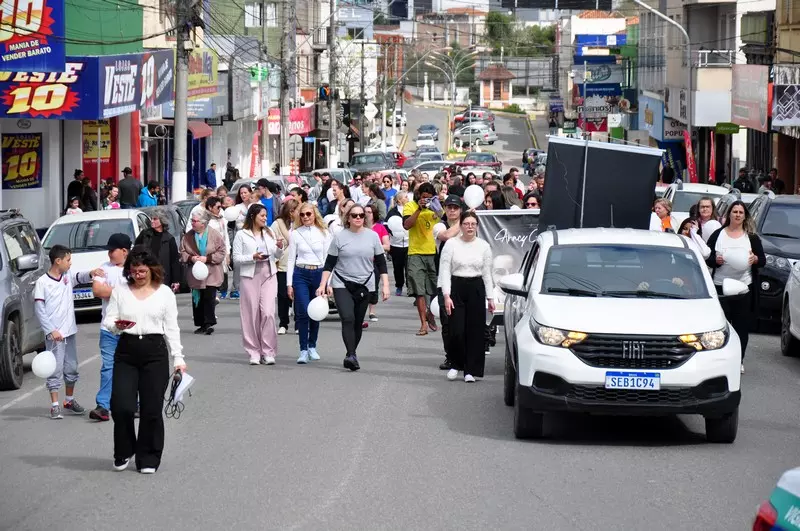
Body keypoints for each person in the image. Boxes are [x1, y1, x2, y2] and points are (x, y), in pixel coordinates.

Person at [103, 248, 186, 474]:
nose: (138, 275)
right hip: (127, 351)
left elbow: (171, 327)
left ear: (151, 269)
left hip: (155, 353)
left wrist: (178, 358)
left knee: (151, 409)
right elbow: (108, 319)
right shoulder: (120, 291)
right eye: (133, 271)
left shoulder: (165, 293)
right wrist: (116, 325)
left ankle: (148, 456)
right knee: (121, 406)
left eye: (142, 271)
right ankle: (124, 450)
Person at [316, 204, 390, 371]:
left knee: (357, 322)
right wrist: (323, 284)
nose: (358, 218)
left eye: (361, 215)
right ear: (348, 218)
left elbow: (381, 263)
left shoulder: (372, 237)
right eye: (354, 215)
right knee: (347, 318)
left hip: (365, 284)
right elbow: (329, 263)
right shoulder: (340, 237)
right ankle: (351, 354)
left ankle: (351, 353)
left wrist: (385, 285)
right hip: (342, 282)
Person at [33, 245, 103, 419]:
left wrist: (92, 272)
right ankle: (55, 405)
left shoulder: (67, 277)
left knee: (71, 367)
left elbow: (79, 277)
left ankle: (69, 400)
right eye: (68, 260)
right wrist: (51, 330)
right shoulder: (43, 282)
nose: (70, 263)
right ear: (58, 261)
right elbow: (39, 309)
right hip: (55, 336)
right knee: (54, 369)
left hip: (69, 332)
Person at [705, 201, 765, 373]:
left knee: (741, 327)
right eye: (734, 211)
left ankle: (738, 360)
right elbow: (706, 256)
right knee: (720, 327)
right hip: (720, 287)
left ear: (745, 216)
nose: (738, 215)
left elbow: (762, 260)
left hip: (744, 288)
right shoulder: (718, 234)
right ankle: (717, 361)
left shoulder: (751, 238)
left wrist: (755, 260)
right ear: (729, 214)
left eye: (740, 212)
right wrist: (714, 260)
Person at [439, 211, 495, 383]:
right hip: (456, 287)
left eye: (473, 224)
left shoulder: (484, 246)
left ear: (477, 226)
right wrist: (446, 295)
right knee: (456, 330)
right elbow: (445, 271)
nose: (470, 227)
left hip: (476, 288)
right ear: (461, 226)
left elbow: (487, 273)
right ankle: (456, 364)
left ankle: (471, 370)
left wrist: (491, 298)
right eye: (466, 224)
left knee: (475, 331)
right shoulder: (451, 244)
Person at [87, 233, 131, 422]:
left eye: (112, 250)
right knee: (108, 367)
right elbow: (97, 290)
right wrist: (124, 292)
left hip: (132, 328)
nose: (109, 254)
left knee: (132, 367)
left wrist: (112, 291)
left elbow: (142, 290)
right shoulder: (103, 269)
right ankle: (103, 406)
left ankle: (134, 403)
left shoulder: (135, 268)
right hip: (109, 328)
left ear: (124, 251)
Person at [233, 203, 284, 365]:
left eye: (265, 215)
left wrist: (279, 248)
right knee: (251, 315)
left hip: (268, 274)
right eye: (262, 215)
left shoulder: (269, 232)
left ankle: (268, 351)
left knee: (268, 312)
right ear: (253, 216)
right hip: (249, 276)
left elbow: (276, 255)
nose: (265, 218)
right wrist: (252, 257)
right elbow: (236, 258)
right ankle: (253, 351)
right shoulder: (242, 234)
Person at [287, 203, 331, 364]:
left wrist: (328, 283)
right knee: (304, 311)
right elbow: (291, 258)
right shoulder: (295, 233)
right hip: (301, 273)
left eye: (308, 214)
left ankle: (312, 346)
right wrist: (289, 283)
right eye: (303, 214)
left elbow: (328, 259)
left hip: (319, 273)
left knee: (316, 312)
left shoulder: (324, 232)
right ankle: (303, 349)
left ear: (314, 215)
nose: (306, 217)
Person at [180, 210, 226, 335]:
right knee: (197, 298)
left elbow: (222, 252)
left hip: (211, 271)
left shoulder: (214, 235)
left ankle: (209, 323)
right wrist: (191, 258)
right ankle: (201, 324)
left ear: (203, 223)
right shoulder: (188, 236)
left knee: (209, 297)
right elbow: (182, 252)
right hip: (195, 273)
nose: (193, 224)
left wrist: (208, 258)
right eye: (192, 221)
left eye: (195, 221)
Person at [403, 182, 440, 336]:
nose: (427, 201)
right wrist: (419, 208)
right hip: (415, 253)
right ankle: (423, 324)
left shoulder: (436, 206)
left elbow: (445, 219)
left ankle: (431, 312)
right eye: (424, 198)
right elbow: (406, 225)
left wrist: (437, 206)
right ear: (418, 196)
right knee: (419, 291)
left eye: (429, 198)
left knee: (433, 290)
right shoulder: (410, 206)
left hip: (432, 252)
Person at [433, 195, 463, 372]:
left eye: (455, 207)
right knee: (447, 322)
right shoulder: (440, 226)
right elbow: (445, 236)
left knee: (463, 322)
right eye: (449, 207)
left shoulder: (469, 227)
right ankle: (450, 356)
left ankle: (464, 356)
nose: (452, 210)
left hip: (464, 279)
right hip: (444, 281)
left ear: (460, 209)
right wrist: (468, 220)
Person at [135, 209, 181, 292]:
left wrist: (175, 280)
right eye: (151, 218)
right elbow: (136, 251)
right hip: (146, 275)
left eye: (155, 219)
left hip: (163, 277)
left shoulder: (169, 239)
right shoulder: (145, 234)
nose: (152, 221)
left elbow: (174, 261)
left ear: (162, 221)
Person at [271, 198, 299, 335]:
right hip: (282, 265)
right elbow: (271, 240)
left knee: (299, 296)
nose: (294, 213)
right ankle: (283, 323)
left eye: (296, 210)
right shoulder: (278, 224)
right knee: (282, 296)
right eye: (292, 210)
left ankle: (299, 323)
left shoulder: (301, 224)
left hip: (299, 265)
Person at [229, 184, 258, 299]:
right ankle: (236, 288)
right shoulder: (237, 207)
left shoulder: (255, 206)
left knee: (253, 261)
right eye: (241, 193)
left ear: (250, 192)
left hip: (253, 237)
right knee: (238, 263)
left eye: (245, 192)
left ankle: (252, 287)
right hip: (240, 237)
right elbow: (237, 224)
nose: (243, 195)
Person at [365, 203, 390, 323]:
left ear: (374, 214)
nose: (366, 214)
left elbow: (387, 246)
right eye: (365, 212)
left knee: (373, 286)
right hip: (360, 261)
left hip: (375, 261)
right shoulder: (360, 227)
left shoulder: (380, 228)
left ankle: (372, 311)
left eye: (369, 212)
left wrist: (374, 246)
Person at [386, 191, 409, 296]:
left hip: (410, 244)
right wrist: (392, 234)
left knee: (410, 268)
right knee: (398, 267)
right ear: (399, 200)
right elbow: (386, 225)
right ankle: (399, 286)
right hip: (396, 245)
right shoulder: (392, 212)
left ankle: (410, 287)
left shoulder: (411, 210)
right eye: (405, 197)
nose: (408, 198)